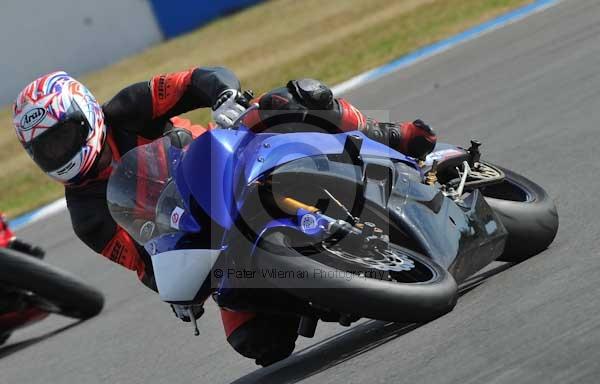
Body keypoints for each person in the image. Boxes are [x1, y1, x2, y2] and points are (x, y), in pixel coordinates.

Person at [12, 69, 436, 366]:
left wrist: (223, 97)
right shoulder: (87, 217)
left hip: (233, 158)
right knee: (258, 342)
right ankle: (326, 290)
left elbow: (197, 77)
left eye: (64, 136)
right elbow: (144, 265)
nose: (61, 153)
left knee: (286, 100)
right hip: (206, 233)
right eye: (47, 149)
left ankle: (387, 135)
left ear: (85, 114)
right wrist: (176, 290)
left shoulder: (128, 107)